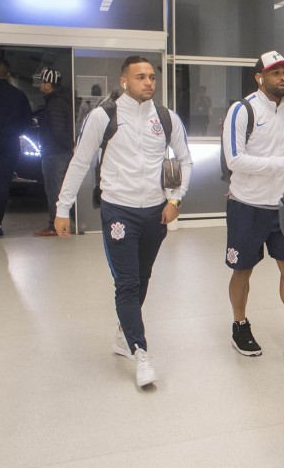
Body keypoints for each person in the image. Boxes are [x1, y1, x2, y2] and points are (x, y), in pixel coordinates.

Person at [54, 56, 192, 388]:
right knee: (127, 283)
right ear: (124, 82)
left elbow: (184, 160)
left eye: (152, 77)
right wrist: (63, 207)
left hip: (155, 212)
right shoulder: (103, 117)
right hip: (119, 211)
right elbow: (80, 162)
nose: (149, 82)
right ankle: (140, 351)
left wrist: (175, 199)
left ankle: (122, 334)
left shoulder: (166, 118)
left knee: (142, 277)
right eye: (140, 77)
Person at [222, 50, 284, 360]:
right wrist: (280, 163)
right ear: (259, 77)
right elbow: (234, 160)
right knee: (243, 269)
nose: (282, 76)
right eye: (275, 72)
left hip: (282, 206)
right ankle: (240, 324)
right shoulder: (242, 110)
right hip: (246, 204)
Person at [0, 57, 33, 238]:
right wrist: (13, 132)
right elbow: (27, 122)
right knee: (2, 184)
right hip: (8, 144)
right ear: (8, 74)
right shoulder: (18, 95)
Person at [34, 68, 75, 237]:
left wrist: (69, 145)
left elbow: (58, 131)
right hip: (64, 152)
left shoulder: (54, 104)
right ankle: (68, 222)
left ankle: (54, 225)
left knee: (54, 190)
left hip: (55, 153)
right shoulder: (64, 100)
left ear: (48, 84)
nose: (39, 85)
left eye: (41, 82)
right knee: (64, 189)